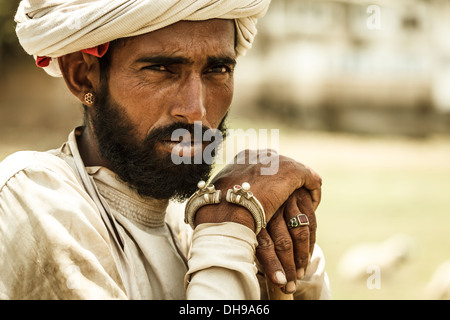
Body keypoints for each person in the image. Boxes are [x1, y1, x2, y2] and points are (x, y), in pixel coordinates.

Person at [0, 0, 330, 300]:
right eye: (161, 69)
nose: (195, 109)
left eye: (217, 69)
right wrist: (227, 229)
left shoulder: (184, 223)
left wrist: (295, 265)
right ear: (83, 77)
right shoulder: (34, 197)